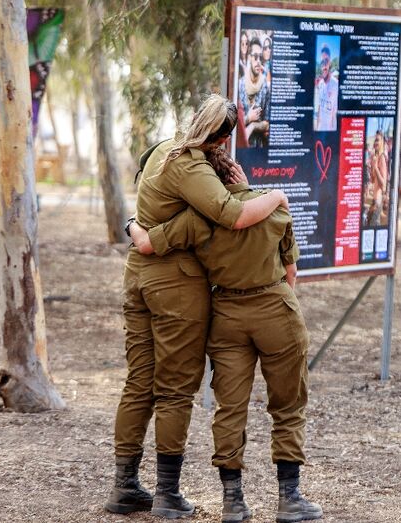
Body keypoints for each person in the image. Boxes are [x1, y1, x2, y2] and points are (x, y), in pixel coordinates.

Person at [105, 95, 290, 519]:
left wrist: (140, 231)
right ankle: (166, 494)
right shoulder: (191, 165)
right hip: (175, 285)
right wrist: (277, 195)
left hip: (138, 276)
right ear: (221, 136)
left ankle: (125, 486)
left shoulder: (161, 151)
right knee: (174, 389)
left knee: (139, 381)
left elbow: (155, 213)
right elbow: (232, 214)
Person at [130, 147, 322, 523]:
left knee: (230, 409)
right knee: (288, 406)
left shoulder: (200, 218)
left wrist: (131, 224)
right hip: (275, 310)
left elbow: (148, 243)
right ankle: (289, 498)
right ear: (235, 172)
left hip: (227, 318)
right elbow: (291, 272)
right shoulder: (274, 209)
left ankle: (233, 502)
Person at [237, 36, 271, 149]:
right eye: (255, 57)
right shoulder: (239, 86)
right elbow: (232, 123)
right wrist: (248, 118)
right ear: (249, 57)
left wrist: (252, 126)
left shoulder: (265, 87)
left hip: (258, 152)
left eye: (260, 57)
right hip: (241, 151)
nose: (258, 61)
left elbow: (267, 123)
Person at [314, 44, 338, 132]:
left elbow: (335, 114)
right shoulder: (320, 84)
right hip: (320, 129)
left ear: (330, 63)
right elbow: (320, 107)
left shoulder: (336, 85)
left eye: (326, 61)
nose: (324, 66)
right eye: (322, 62)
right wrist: (316, 127)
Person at [367, 133, 388, 226]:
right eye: (375, 140)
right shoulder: (376, 157)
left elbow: (383, 185)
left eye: (377, 140)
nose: (375, 142)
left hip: (377, 203)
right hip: (372, 202)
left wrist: (375, 168)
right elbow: (372, 181)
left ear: (382, 143)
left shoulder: (382, 158)